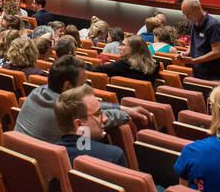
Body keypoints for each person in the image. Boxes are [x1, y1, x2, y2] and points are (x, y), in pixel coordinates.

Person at [15, 56, 144, 140]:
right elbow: (103, 118)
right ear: (67, 86)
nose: (85, 88)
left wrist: (119, 106)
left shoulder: (37, 92)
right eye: (82, 84)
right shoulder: (69, 112)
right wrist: (126, 114)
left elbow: (84, 105)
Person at [53, 85, 126, 165]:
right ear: (79, 125)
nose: (105, 118)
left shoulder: (50, 155)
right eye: (98, 114)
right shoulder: (113, 156)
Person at [179, 0, 220, 80]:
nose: (187, 17)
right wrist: (186, 53)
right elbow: (193, 41)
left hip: (213, 76)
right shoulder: (193, 23)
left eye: (188, 14)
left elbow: (216, 53)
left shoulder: (213, 25)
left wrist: (195, 60)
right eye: (185, 15)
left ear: (197, 8)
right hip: (197, 72)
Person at [93, 35, 160, 84]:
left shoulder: (121, 65)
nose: (119, 47)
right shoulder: (155, 66)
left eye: (123, 45)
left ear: (134, 49)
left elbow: (95, 70)